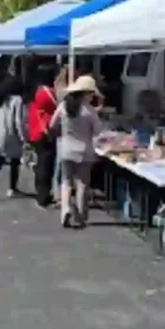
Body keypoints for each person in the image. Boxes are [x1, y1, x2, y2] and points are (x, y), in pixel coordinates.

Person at [49, 75, 104, 229]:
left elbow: (52, 124)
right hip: (84, 152)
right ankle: (80, 216)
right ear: (85, 93)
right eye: (91, 93)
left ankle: (65, 209)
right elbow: (98, 131)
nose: (93, 96)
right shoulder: (89, 111)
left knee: (66, 182)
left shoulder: (63, 107)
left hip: (65, 150)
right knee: (82, 185)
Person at [0, 76, 26, 200]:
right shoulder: (17, 100)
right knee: (15, 161)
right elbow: (18, 121)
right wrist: (23, 137)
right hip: (11, 134)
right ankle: (12, 189)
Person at [28, 67, 59, 209]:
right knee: (46, 166)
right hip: (45, 132)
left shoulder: (38, 92)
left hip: (36, 131)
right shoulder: (47, 93)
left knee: (41, 164)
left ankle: (41, 193)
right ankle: (43, 195)